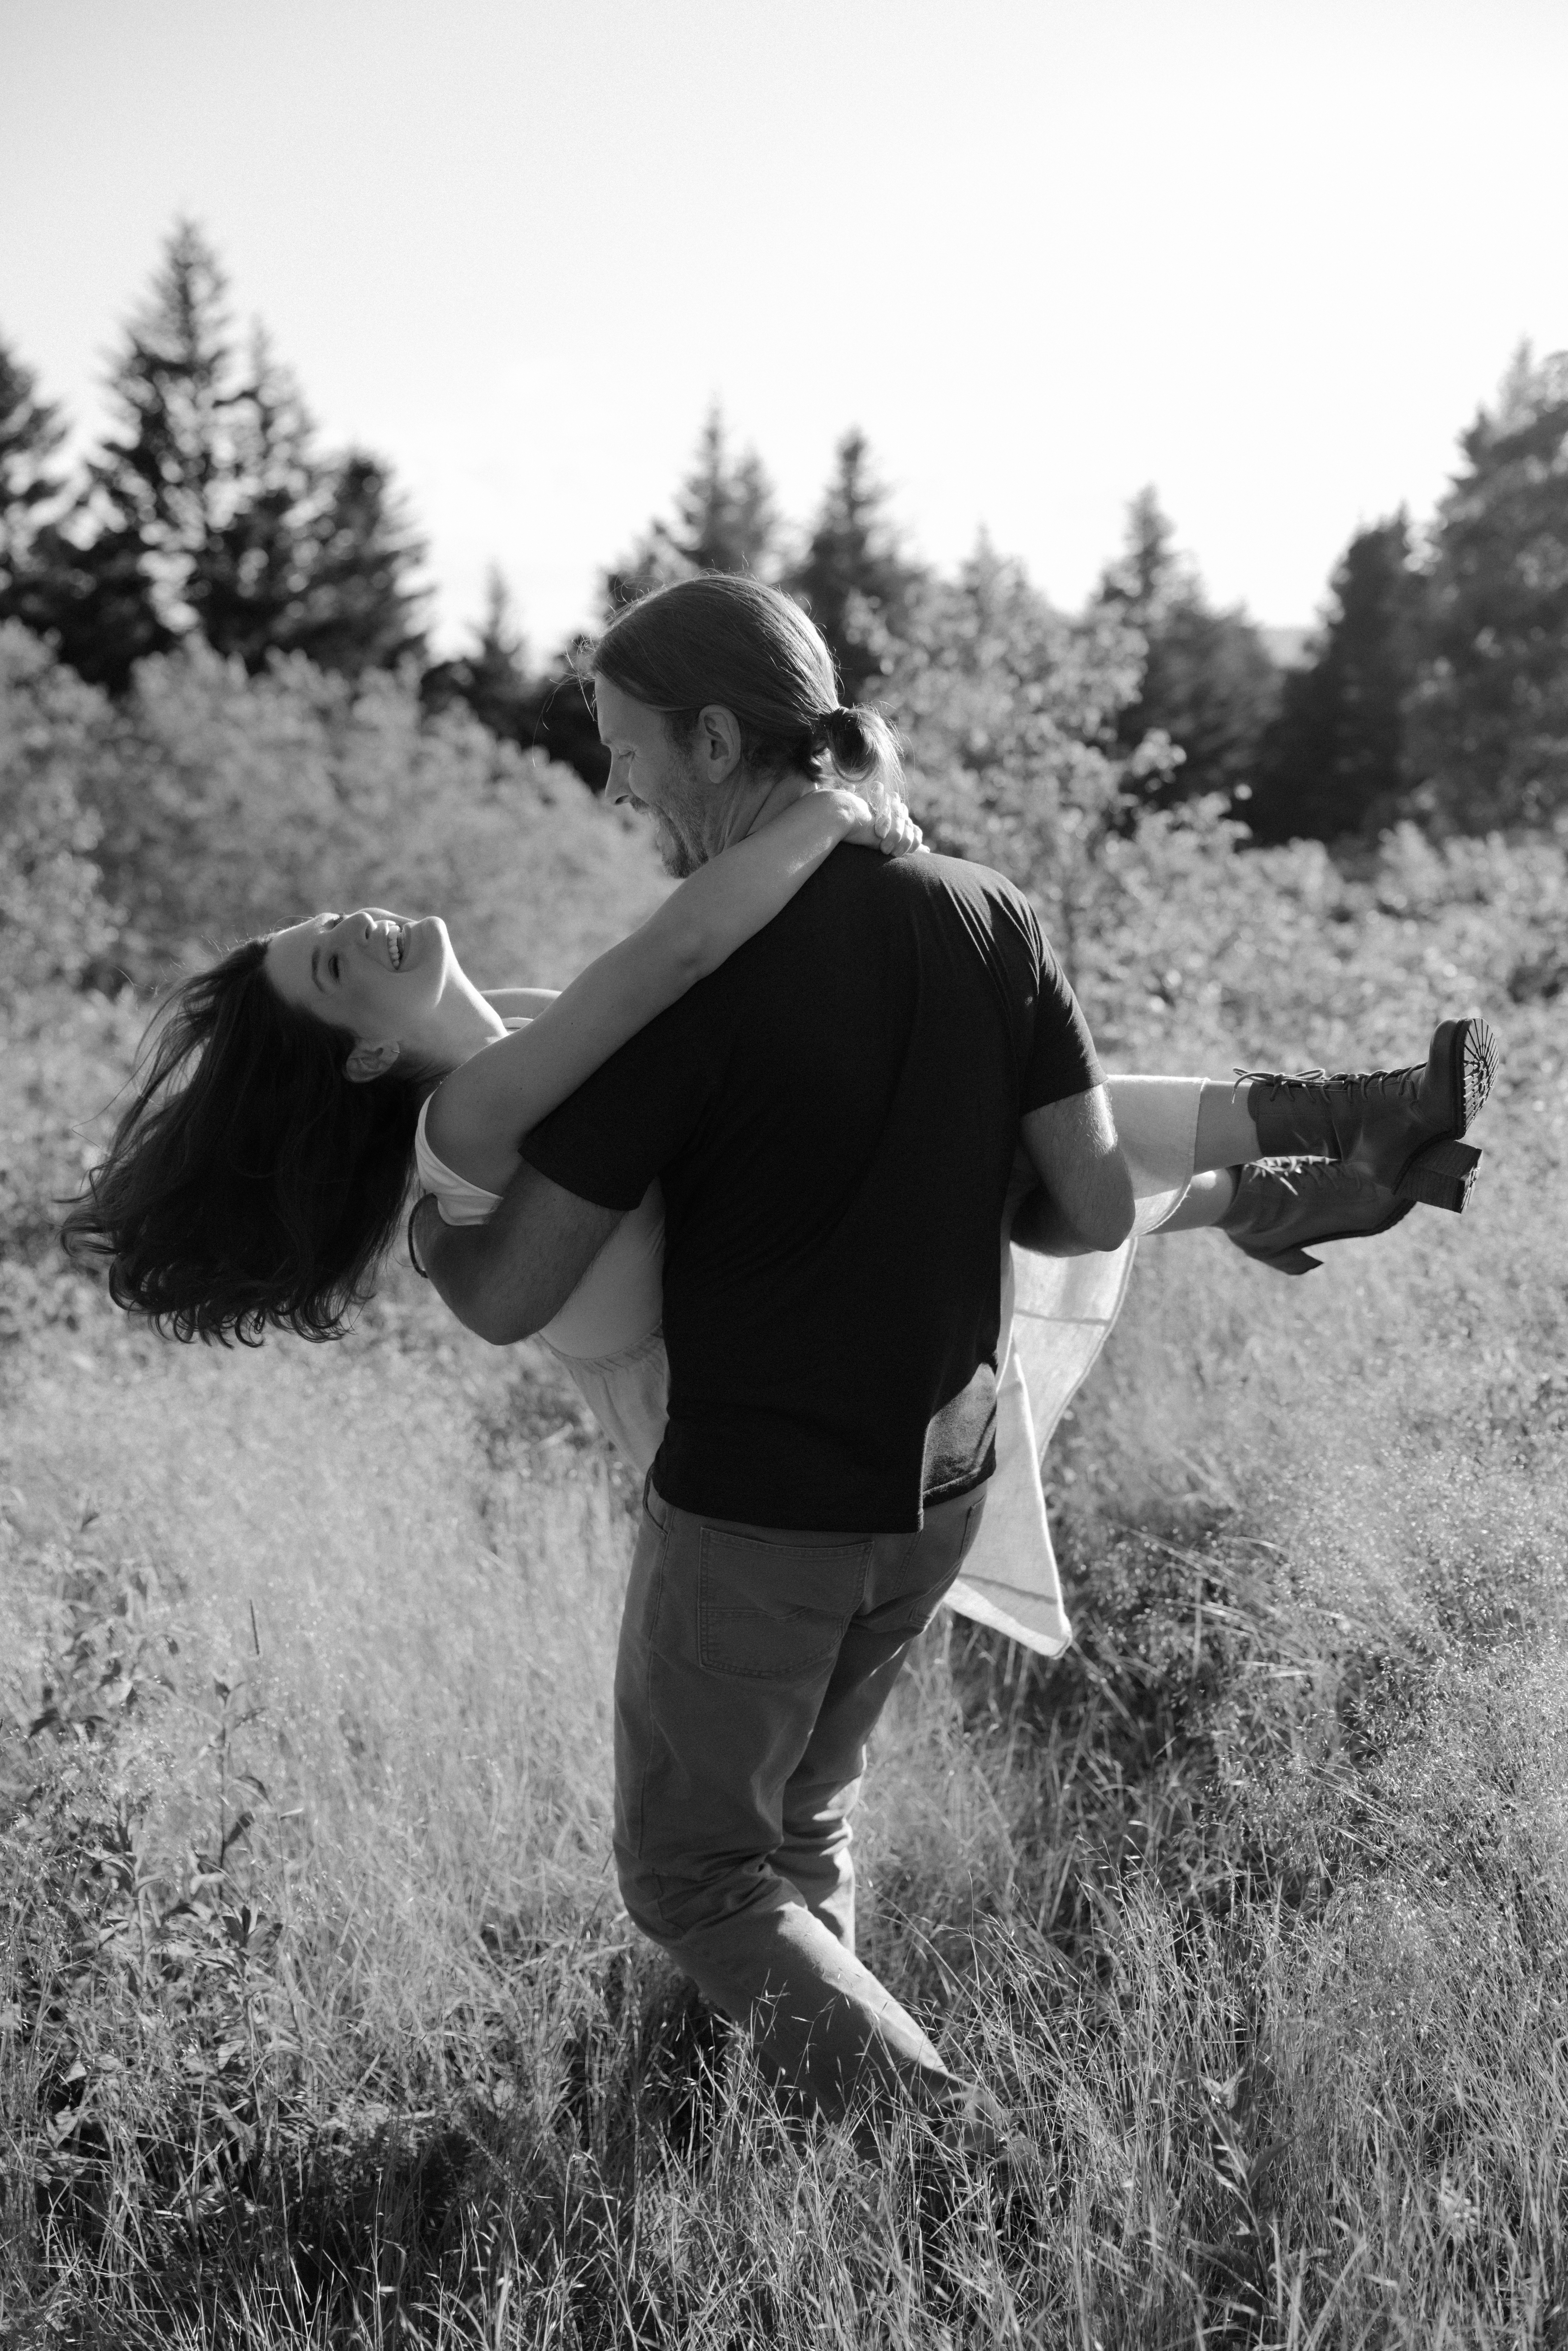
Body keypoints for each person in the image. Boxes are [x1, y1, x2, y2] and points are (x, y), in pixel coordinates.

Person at [399, 574, 1499, 2139]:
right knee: (797, 1821)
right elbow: (1083, 1205)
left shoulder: (683, 986)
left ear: (715, 740)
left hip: (761, 1509)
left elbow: (517, 1294)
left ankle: (944, 2144)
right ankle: (785, 2126)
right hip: (937, 1489)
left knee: (694, 1871)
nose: (619, 786)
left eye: (627, 749)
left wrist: (429, 1228)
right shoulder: (988, 912)